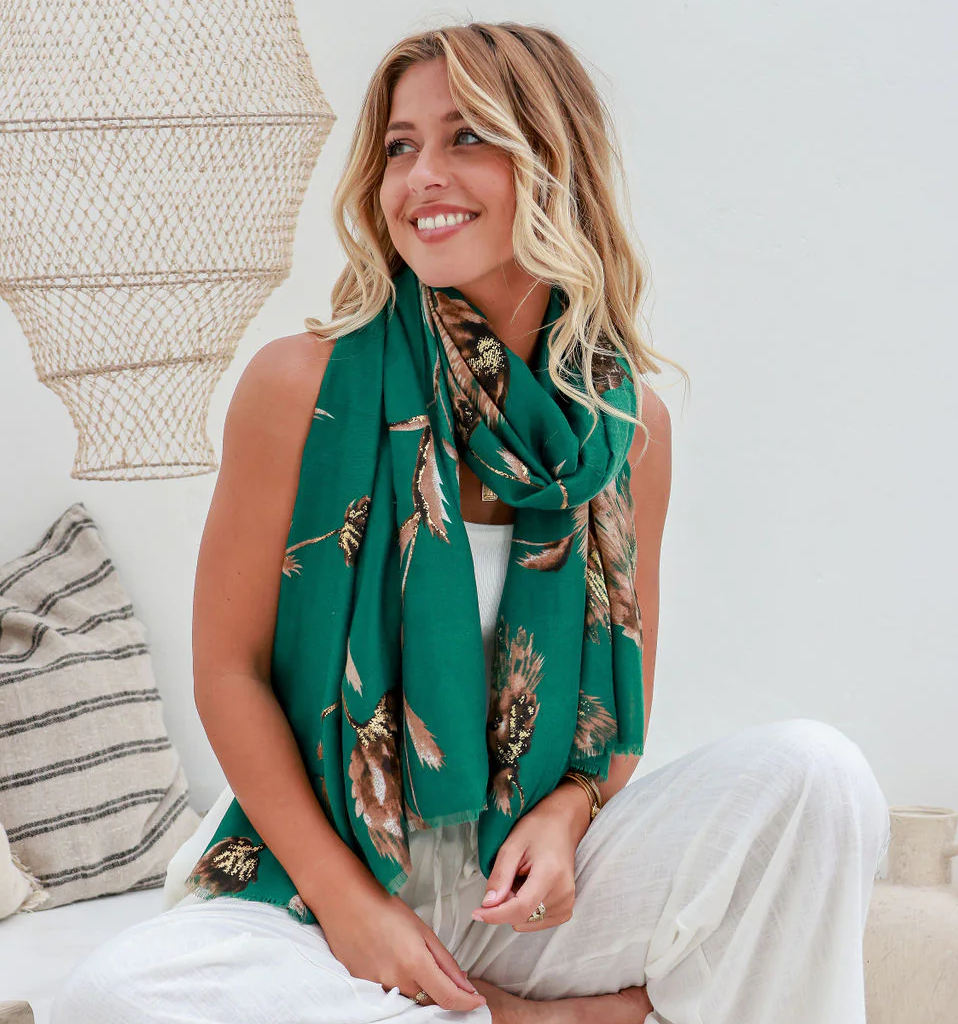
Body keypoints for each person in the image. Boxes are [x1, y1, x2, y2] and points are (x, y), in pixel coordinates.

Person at [51, 20, 890, 1024]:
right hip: (317, 873)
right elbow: (228, 674)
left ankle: (486, 1002)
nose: (420, 177)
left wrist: (570, 810)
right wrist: (355, 909)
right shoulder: (302, 387)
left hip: (517, 882)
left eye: (465, 138)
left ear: (551, 159)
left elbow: (610, 728)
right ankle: (545, 1018)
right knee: (116, 996)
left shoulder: (626, 430)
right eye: (400, 146)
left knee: (816, 775)